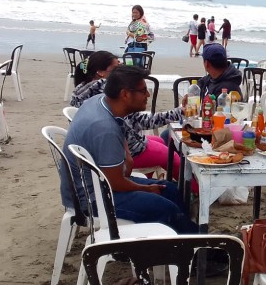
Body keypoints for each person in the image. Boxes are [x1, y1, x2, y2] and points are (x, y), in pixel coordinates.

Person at [61, 65, 196, 233]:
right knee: (166, 209)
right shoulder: (104, 128)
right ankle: (188, 247)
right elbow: (116, 182)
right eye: (143, 91)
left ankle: (186, 236)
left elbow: (121, 126)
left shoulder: (100, 101)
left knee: (171, 190)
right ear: (125, 94)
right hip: (92, 198)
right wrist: (145, 189)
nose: (147, 95)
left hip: (97, 183)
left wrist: (126, 152)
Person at [70, 51, 182, 180]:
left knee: (160, 140)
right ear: (101, 72)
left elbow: (134, 123)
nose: (122, 71)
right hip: (117, 153)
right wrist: (178, 113)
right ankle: (193, 193)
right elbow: (141, 122)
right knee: (172, 158)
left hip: (110, 147)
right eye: (117, 68)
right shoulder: (110, 96)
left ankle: (144, 178)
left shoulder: (86, 91)